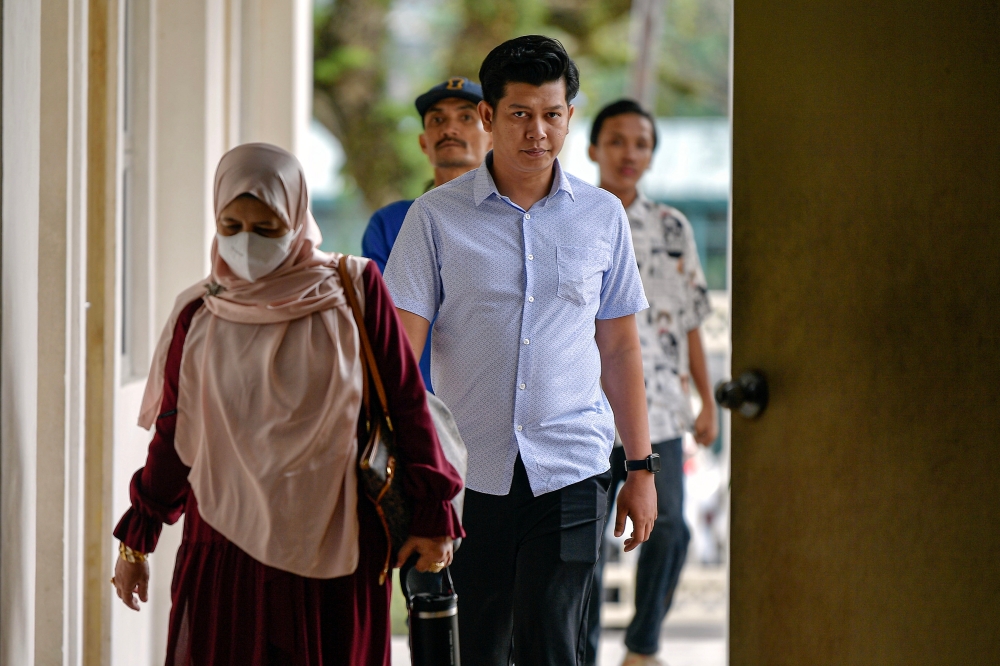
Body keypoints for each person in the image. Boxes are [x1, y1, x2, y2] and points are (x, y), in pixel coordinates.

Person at [110, 143, 464, 666]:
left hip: (337, 544)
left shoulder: (356, 292)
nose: (247, 242)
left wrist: (434, 517)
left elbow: (409, 410)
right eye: (231, 226)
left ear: (297, 219)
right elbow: (176, 436)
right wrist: (138, 536)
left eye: (267, 228)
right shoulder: (200, 314)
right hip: (227, 551)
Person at [384, 36, 659, 666]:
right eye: (520, 114)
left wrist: (641, 470)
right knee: (477, 645)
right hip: (468, 474)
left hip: (572, 466)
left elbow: (618, 349)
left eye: (552, 114)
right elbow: (403, 355)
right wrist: (409, 472)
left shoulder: (601, 216)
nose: (538, 131)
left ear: (568, 116)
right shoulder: (434, 218)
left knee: (554, 644)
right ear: (489, 116)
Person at [583, 100, 718, 666]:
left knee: (669, 533)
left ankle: (642, 648)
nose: (629, 153)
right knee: (581, 552)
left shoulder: (672, 227)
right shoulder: (574, 215)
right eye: (616, 140)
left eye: (641, 143)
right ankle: (578, 654)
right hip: (583, 412)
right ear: (592, 149)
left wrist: (707, 401)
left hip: (659, 410)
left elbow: (690, 322)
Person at [361, 77, 493, 391]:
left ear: (492, 137)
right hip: (418, 402)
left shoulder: (515, 221)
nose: (450, 129)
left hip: (493, 404)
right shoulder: (389, 223)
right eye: (438, 120)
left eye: (465, 117)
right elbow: (384, 319)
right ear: (424, 142)